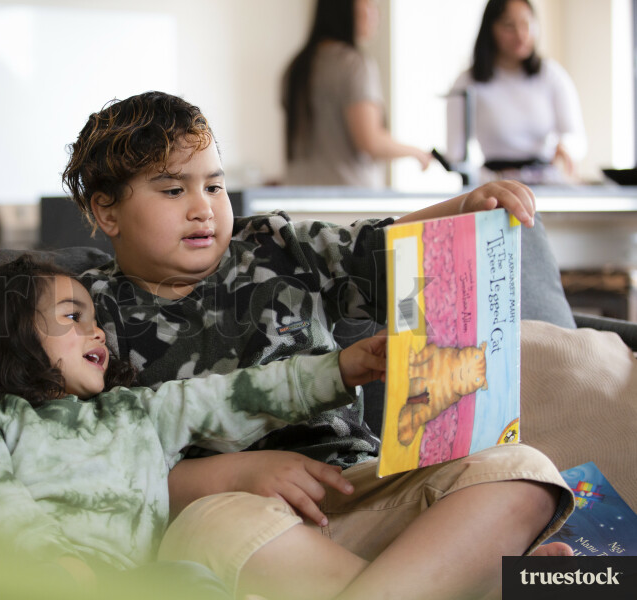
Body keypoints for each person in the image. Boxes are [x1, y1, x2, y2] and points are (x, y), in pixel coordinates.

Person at [67, 90, 575, 600]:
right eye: (174, 191)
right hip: (243, 518)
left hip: (359, 490)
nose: (203, 208)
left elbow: (388, 250)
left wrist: (464, 208)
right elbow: (95, 462)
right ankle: (476, 581)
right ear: (107, 212)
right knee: (212, 530)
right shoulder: (86, 314)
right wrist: (230, 472)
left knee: (525, 471)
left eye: (215, 186)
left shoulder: (276, 245)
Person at [0, 254, 392, 599]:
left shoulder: (135, 413)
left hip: (124, 584)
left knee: (192, 583)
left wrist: (342, 369)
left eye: (95, 320)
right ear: (11, 332)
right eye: (73, 316)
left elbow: (232, 397)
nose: (98, 333)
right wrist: (57, 564)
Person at [282, 0, 431, 187]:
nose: (376, 14)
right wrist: (416, 152)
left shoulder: (296, 66)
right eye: (369, 6)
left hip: (296, 195)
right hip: (348, 197)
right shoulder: (352, 64)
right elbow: (369, 140)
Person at [446, 0, 587, 185]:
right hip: (495, 184)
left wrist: (565, 146)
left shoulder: (551, 75)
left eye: (527, 24)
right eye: (509, 26)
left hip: (546, 182)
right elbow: (455, 152)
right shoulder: (468, 81)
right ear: (490, 29)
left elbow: (576, 136)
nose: (521, 35)